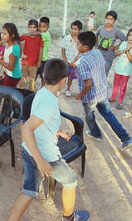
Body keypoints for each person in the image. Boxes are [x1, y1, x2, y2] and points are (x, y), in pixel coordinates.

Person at [7, 58, 90, 221]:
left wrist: (57, 131)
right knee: (71, 181)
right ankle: (69, 218)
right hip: (45, 156)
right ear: (64, 81)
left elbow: (41, 121)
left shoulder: (42, 92)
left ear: (43, 75)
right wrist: (41, 161)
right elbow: (26, 128)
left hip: (28, 150)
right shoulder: (50, 101)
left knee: (29, 191)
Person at [72, 31, 132, 150]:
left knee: (89, 115)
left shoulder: (82, 63)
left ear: (85, 47)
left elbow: (88, 84)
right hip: (102, 92)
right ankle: (125, 138)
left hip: (90, 97)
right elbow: (105, 67)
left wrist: (80, 95)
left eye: (78, 44)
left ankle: (96, 133)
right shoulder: (97, 52)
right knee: (108, 114)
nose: (76, 45)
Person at [109, 27, 132, 110]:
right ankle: (113, 97)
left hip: (126, 71)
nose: (131, 37)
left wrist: (127, 51)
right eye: (129, 35)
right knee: (115, 84)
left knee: (123, 86)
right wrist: (124, 50)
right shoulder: (123, 43)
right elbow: (116, 54)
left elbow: (131, 60)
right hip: (118, 68)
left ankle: (120, 102)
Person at [95, 10, 126, 77]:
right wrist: (96, 46)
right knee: (96, 73)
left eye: (111, 19)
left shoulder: (116, 31)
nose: (108, 21)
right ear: (105, 19)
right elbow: (96, 36)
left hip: (108, 57)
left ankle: (101, 86)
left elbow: (124, 39)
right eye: (107, 18)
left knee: (104, 74)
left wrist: (116, 47)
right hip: (99, 55)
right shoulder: (101, 28)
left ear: (114, 21)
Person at [0, 23, 21, 88]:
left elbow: (11, 68)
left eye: (5, 34)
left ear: (12, 36)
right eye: (2, 33)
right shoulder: (8, 44)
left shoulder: (13, 49)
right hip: (9, 74)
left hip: (13, 76)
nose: (2, 36)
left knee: (6, 92)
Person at [19, 19, 43, 91]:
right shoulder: (25, 36)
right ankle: (22, 90)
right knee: (24, 77)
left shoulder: (39, 38)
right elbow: (17, 41)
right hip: (25, 62)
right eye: (30, 27)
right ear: (28, 28)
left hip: (34, 63)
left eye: (34, 27)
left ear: (37, 28)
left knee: (32, 79)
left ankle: (31, 92)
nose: (32, 29)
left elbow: (41, 49)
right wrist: (20, 54)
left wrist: (39, 61)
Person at [61, 20, 82, 97]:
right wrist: (65, 61)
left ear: (79, 30)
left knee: (70, 77)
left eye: (75, 29)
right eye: (72, 29)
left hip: (74, 63)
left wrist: (74, 61)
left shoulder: (80, 40)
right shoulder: (67, 38)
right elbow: (63, 50)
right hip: (65, 61)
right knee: (62, 76)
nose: (73, 30)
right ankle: (59, 89)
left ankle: (68, 89)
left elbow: (80, 52)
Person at [36, 17, 51, 87]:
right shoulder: (42, 33)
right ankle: (32, 87)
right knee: (35, 73)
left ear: (48, 27)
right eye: (40, 26)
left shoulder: (45, 35)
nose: (42, 29)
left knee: (42, 75)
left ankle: (43, 88)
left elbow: (35, 35)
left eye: (44, 27)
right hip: (38, 58)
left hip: (43, 59)